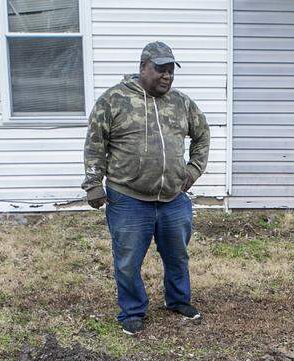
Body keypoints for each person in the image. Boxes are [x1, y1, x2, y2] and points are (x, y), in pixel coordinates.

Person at [82, 41, 211, 336]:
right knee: (128, 261)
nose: (167, 76)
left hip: (173, 199)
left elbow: (202, 134)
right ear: (143, 67)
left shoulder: (181, 103)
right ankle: (132, 311)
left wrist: (193, 170)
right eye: (160, 69)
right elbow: (95, 143)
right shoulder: (114, 100)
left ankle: (177, 300)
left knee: (177, 256)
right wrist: (93, 184)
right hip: (129, 198)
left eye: (171, 71)